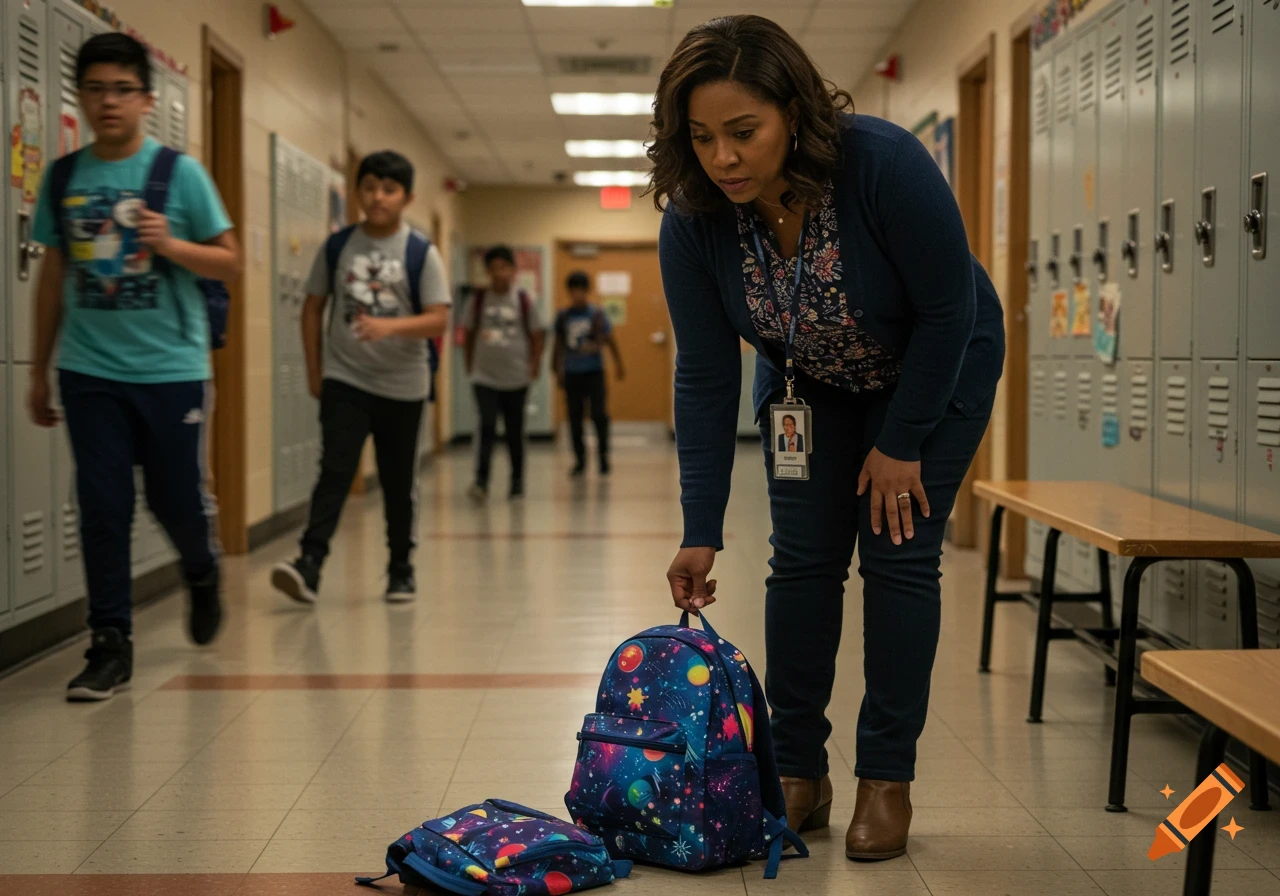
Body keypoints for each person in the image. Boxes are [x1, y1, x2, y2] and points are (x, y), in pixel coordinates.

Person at [652, 16, 1005, 860]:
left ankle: (888, 778)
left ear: (794, 115)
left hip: (935, 367)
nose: (723, 158)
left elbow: (948, 308)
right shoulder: (695, 221)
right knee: (803, 563)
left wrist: (905, 440)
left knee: (897, 552)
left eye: (744, 132)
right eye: (701, 137)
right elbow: (704, 374)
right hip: (809, 388)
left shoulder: (881, 165)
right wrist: (700, 524)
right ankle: (799, 772)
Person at [27, 33, 241, 701]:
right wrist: (39, 369)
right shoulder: (63, 178)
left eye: (122, 89)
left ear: (147, 99)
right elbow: (53, 273)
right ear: (81, 97)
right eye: (95, 89)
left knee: (173, 499)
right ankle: (110, 642)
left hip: (171, 367)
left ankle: (201, 570)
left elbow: (230, 260)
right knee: (102, 503)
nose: (108, 102)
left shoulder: (179, 174)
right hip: (90, 369)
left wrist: (169, 242)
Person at [271, 151, 450, 605]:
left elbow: (437, 321)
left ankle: (400, 569)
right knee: (334, 471)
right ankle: (308, 565)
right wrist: (315, 368)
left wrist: (387, 326)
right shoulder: (337, 246)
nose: (377, 197)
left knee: (396, 479)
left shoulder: (420, 252)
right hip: (345, 379)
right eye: (369, 187)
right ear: (357, 192)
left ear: (406, 197)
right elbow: (312, 307)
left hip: (403, 385)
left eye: (388, 189)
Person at [463, 246, 546, 500]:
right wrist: (470, 364)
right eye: (493, 268)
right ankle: (481, 480)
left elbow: (536, 336)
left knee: (514, 431)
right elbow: (468, 333)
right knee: (486, 426)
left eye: (504, 267)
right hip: (484, 376)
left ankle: (517, 480)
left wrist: (534, 365)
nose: (499, 273)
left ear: (513, 270)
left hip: (516, 377)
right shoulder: (477, 300)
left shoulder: (523, 299)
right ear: (487, 271)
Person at [552, 271, 625, 476]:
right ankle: (580, 460)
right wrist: (557, 369)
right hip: (572, 373)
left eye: (581, 290)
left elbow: (610, 340)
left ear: (587, 291)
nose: (577, 295)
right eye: (573, 291)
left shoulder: (597, 315)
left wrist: (619, 364)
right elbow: (558, 346)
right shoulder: (563, 316)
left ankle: (603, 458)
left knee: (599, 415)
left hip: (594, 372)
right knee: (574, 417)